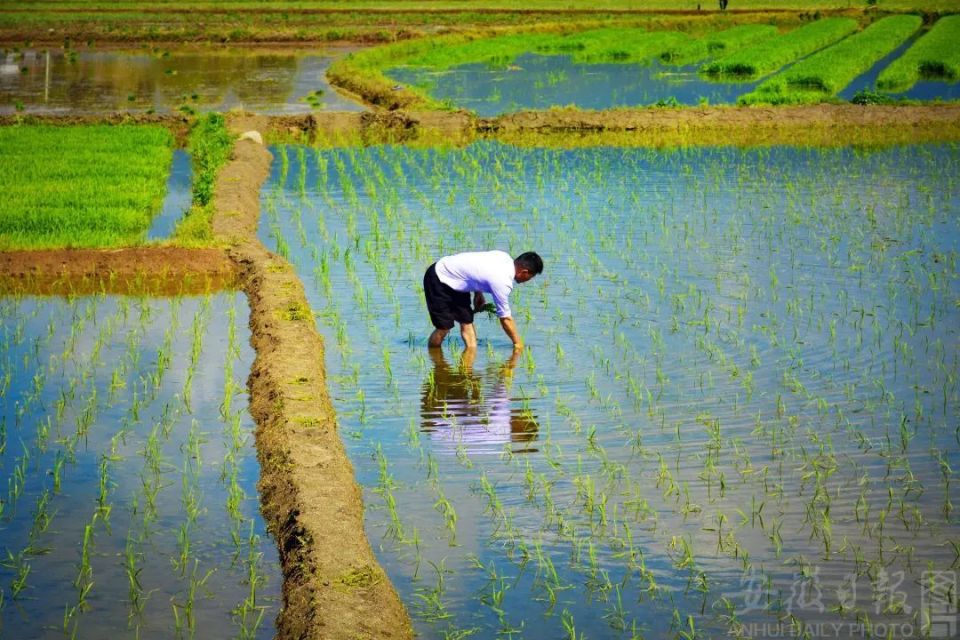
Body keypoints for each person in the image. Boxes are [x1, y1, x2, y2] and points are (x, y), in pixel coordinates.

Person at [423, 250, 543, 351]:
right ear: (524, 272)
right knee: (444, 327)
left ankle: (469, 368)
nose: (528, 280)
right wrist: (518, 344)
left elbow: (476, 269)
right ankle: (434, 358)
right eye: (531, 277)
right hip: (438, 276)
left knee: (467, 321)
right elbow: (505, 318)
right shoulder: (502, 281)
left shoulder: (503, 256)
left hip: (457, 279)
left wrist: (478, 292)